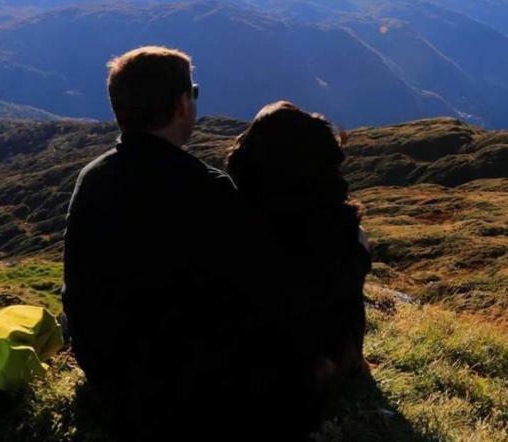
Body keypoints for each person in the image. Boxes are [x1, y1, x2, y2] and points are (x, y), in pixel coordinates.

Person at [61, 46, 263, 439]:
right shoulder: (207, 188)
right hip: (186, 383)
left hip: (105, 369)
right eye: (194, 93)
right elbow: (250, 286)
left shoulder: (92, 177)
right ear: (181, 103)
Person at [225, 101, 372, 437]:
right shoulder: (335, 226)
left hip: (250, 354)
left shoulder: (233, 212)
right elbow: (340, 284)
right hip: (311, 362)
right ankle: (348, 361)